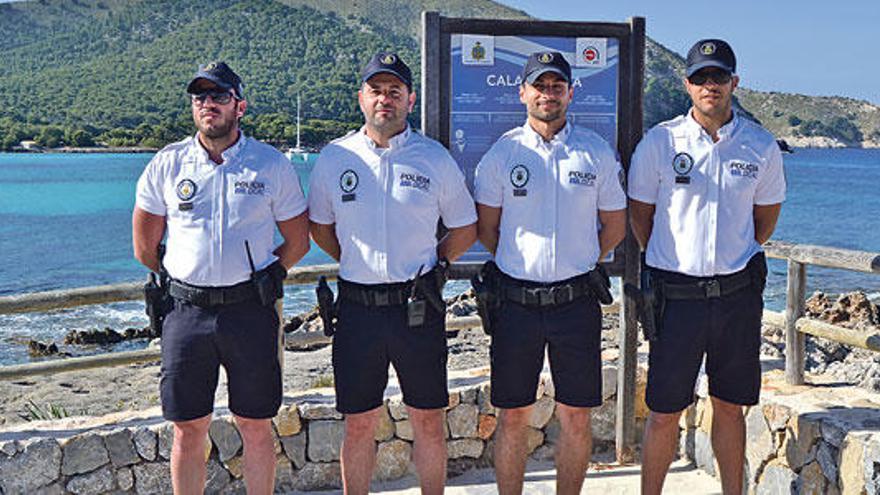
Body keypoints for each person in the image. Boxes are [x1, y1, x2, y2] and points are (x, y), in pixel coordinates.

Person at [132, 61, 310, 494]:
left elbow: (298, 239)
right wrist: (185, 277)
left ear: (240, 106)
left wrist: (268, 277)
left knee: (255, 424)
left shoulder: (270, 164)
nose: (208, 104)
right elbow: (144, 246)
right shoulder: (168, 163)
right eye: (200, 97)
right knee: (187, 428)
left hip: (249, 311)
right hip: (186, 313)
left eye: (219, 96)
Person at [308, 52, 477, 495]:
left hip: (416, 308)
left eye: (395, 91)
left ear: (410, 99)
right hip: (358, 310)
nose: (386, 98)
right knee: (359, 424)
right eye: (376, 90)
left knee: (428, 421)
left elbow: (465, 227)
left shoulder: (433, 158)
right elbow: (321, 229)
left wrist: (437, 265)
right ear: (361, 98)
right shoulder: (334, 158)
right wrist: (355, 256)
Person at [628, 39, 786, 495]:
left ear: (734, 83)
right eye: (700, 77)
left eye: (718, 76)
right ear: (687, 85)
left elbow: (764, 222)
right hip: (675, 299)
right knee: (662, 410)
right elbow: (642, 217)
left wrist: (725, 259)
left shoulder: (760, 146)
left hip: (736, 297)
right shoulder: (660, 142)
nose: (709, 85)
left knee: (730, 406)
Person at [473, 51, 627, 495]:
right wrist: (524, 263)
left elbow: (614, 225)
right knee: (513, 415)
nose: (548, 94)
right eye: (539, 86)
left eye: (557, 86)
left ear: (570, 93)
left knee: (576, 416)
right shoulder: (501, 154)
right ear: (522, 93)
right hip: (514, 304)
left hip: (576, 304)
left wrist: (578, 260)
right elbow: (488, 229)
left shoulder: (595, 152)